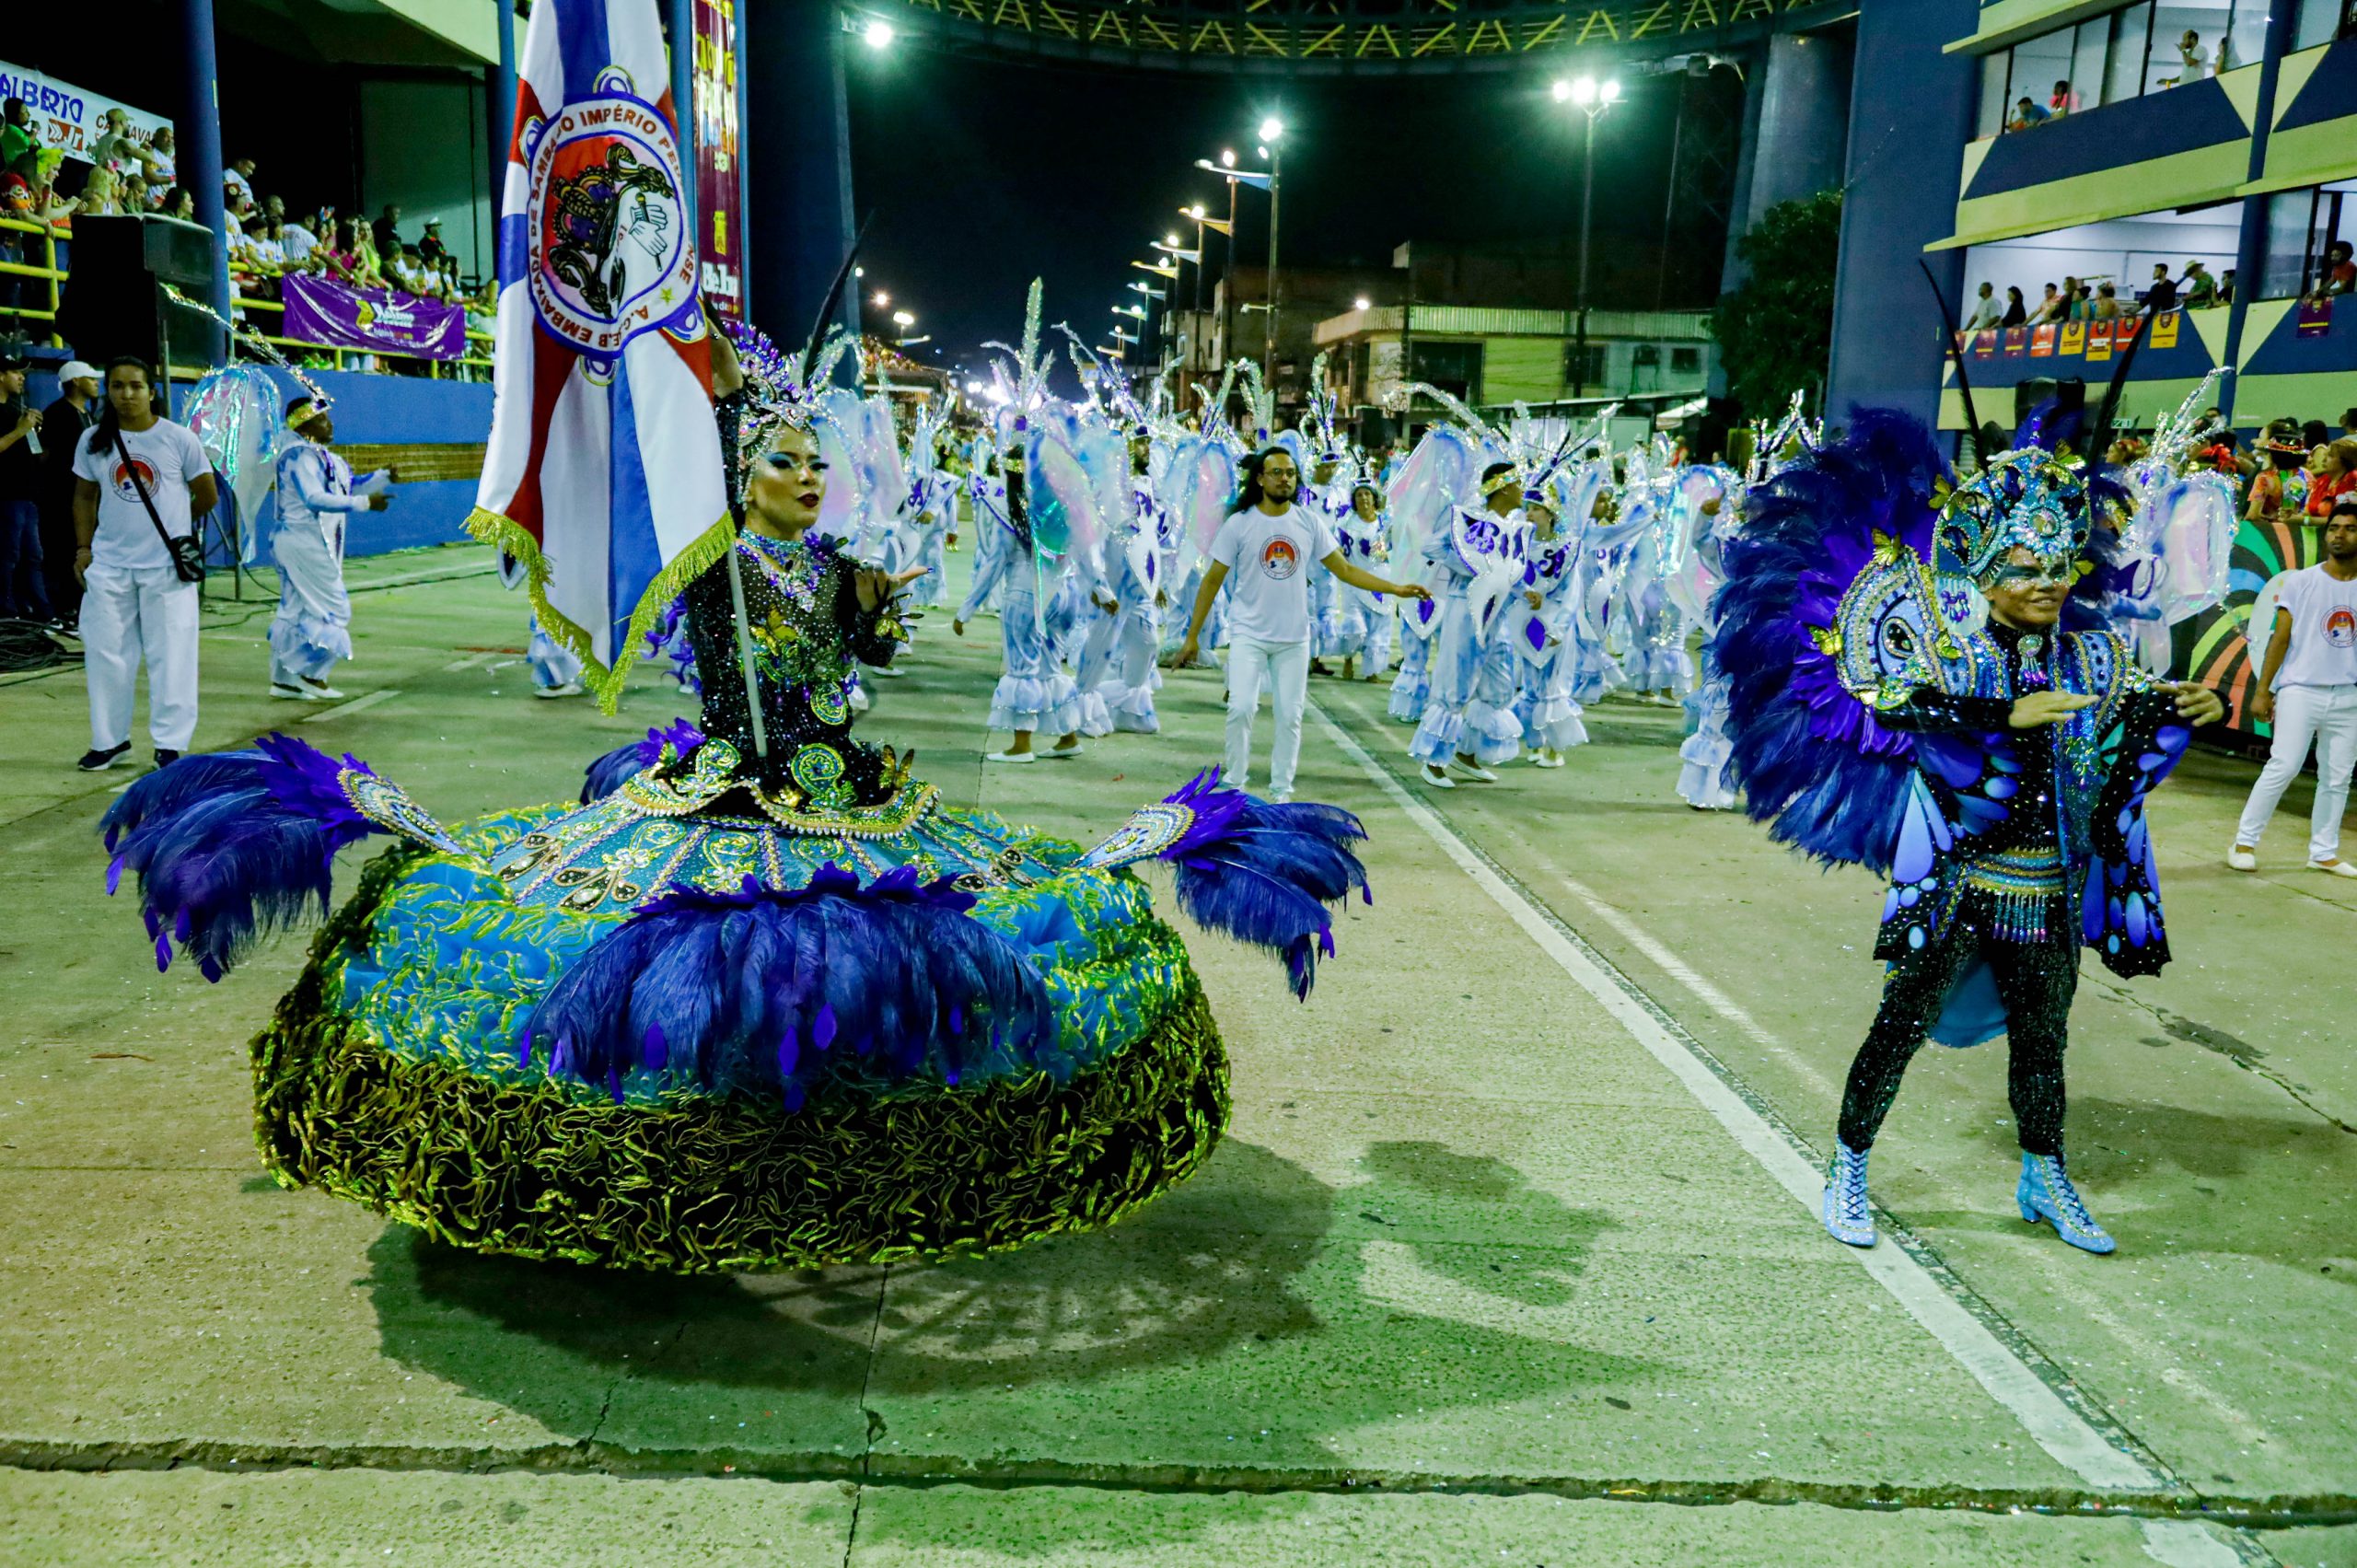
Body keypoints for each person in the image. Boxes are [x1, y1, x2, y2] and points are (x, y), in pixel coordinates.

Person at [90, 325, 1375, 1276]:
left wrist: (871, 602)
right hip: (723, 788)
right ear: (739, 473)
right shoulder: (707, 566)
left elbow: (859, 660)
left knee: (944, 943)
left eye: (817, 461)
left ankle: (850, 1147)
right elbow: (691, 620)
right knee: (685, 955)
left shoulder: (838, 565)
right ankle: (709, 1150)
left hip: (845, 787)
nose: (809, 476)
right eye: (783, 461)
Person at [1716, 418, 2225, 1257]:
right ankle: (1848, 1164)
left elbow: (2120, 725)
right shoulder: (1951, 656)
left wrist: (2183, 706)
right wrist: (2002, 713)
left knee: (2044, 1040)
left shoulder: (2091, 657)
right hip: (1960, 879)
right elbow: (1898, 704)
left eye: (2060, 567)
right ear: (1985, 573)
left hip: (2048, 886)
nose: (2049, 583)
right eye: (2027, 569)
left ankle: (2043, 1172)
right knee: (1899, 1026)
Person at [1174, 447, 1430, 803]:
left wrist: (1396, 588)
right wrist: (1192, 637)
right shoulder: (1240, 523)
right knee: (1241, 708)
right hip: (1249, 634)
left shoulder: (1309, 522)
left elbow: (1345, 570)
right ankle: (1234, 784)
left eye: (1291, 473)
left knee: (1290, 717)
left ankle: (1281, 791)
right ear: (1260, 479)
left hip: (1295, 639)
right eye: (1277, 472)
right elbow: (1212, 580)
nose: (1285, 479)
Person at [70, 357, 217, 771]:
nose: (126, 394)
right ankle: (109, 740)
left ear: (151, 392)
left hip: (166, 569)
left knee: (171, 655)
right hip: (111, 566)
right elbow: (83, 497)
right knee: (105, 655)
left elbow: (206, 494)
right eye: (117, 386)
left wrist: (176, 529)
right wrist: (84, 549)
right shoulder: (94, 441)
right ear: (109, 391)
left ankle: (170, 743)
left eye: (136, 386)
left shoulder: (177, 438)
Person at [2228, 498, 2357, 877]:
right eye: (2334, 528)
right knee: (2283, 766)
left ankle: (2323, 851)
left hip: (2349, 695)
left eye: (2349, 528)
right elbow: (2279, 639)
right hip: (2301, 689)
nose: (2339, 535)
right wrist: (2263, 689)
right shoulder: (2302, 581)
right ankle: (2243, 842)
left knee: (2337, 777)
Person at [269, 395, 394, 700]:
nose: (330, 423)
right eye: (322, 418)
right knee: (334, 610)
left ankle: (283, 681)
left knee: (294, 609)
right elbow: (314, 498)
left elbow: (349, 488)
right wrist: (365, 504)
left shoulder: (327, 458)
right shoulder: (298, 457)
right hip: (302, 541)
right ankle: (311, 675)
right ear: (303, 424)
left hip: (316, 542)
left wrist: (383, 478)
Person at [38, 359, 101, 630]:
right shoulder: (57, 414)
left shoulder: (88, 415)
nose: (96, 384)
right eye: (91, 378)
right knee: (64, 552)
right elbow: (44, 455)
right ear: (75, 381)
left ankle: (82, 606)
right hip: (62, 497)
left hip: (85, 495)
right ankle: (65, 609)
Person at [0, 351, 48, 623]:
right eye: (16, 373)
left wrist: (33, 432)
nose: (21, 379)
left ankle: (42, 614)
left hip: (27, 496)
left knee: (33, 557)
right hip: (7, 497)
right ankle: (7, 615)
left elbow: (35, 453)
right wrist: (20, 430)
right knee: (8, 556)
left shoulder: (16, 410)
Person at [2246, 424, 2313, 524]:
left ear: (2274, 455)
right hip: (2301, 531)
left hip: (2271, 533)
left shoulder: (2265, 479)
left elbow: (2252, 515)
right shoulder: (2308, 476)